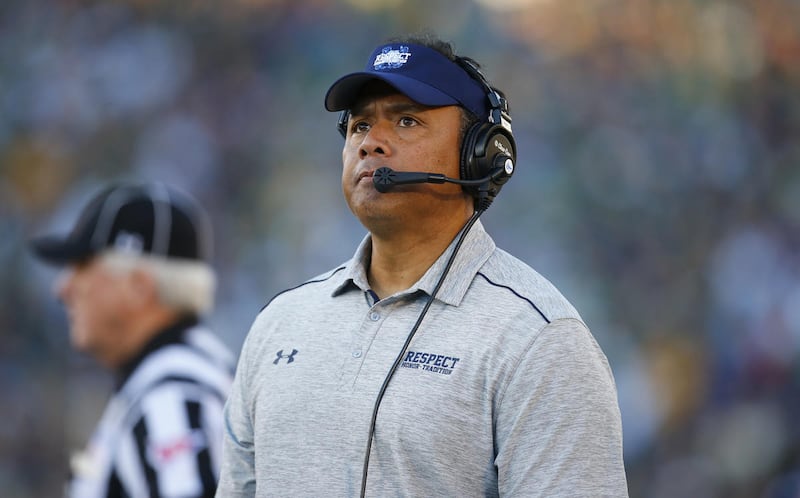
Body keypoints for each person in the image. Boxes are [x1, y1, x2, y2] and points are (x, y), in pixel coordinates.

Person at [217, 34, 628, 497]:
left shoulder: (539, 340)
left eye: (406, 120)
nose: (371, 143)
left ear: (480, 153)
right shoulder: (279, 323)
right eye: (358, 126)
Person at [30, 182, 235, 498]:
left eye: (82, 265)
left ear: (139, 287)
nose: (63, 288)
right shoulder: (175, 376)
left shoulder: (171, 396)